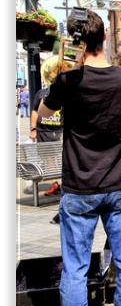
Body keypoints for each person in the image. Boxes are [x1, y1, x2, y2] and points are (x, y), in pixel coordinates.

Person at [37, 8, 121, 306]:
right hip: (120, 185)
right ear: (106, 36)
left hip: (80, 186)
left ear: (75, 42)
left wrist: (69, 73)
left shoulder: (68, 81)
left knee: (76, 267)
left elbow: (42, 113)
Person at [29, 56, 64, 221]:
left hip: (60, 132)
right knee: (48, 159)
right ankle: (55, 182)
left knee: (59, 160)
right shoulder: (41, 93)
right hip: (43, 132)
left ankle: (57, 182)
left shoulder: (63, 92)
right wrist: (33, 128)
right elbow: (35, 111)